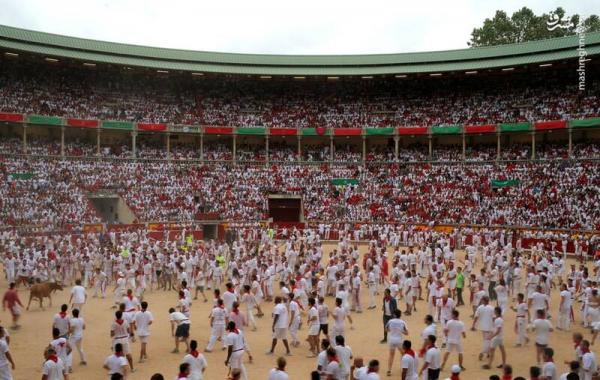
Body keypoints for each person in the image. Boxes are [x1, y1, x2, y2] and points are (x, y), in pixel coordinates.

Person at [385, 309, 408, 376]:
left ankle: (389, 370)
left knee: (391, 355)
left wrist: (391, 330)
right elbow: (407, 333)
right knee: (403, 354)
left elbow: (386, 329)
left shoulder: (390, 321)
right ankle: (404, 367)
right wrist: (401, 331)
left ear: (394, 315)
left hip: (391, 340)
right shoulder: (402, 322)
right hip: (399, 341)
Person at [472, 296, 494, 362]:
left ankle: (488, 353)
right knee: (488, 340)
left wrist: (473, 325)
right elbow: (494, 318)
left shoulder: (479, 308)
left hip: (482, 327)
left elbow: (476, 317)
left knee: (486, 340)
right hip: (489, 326)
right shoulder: (491, 308)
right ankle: (482, 352)